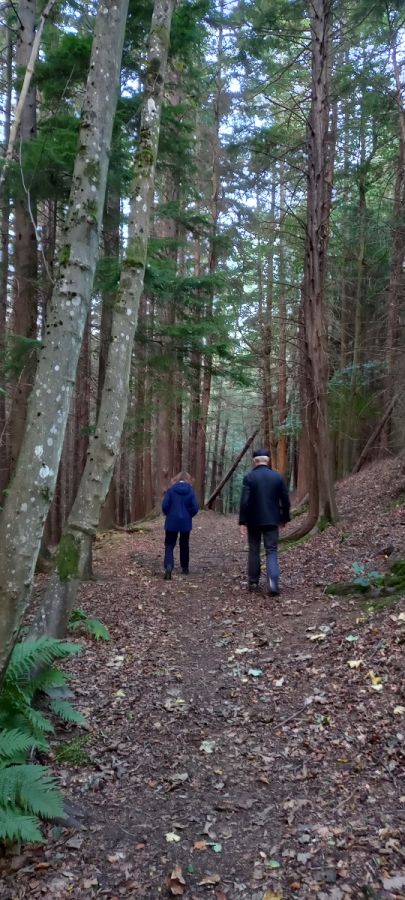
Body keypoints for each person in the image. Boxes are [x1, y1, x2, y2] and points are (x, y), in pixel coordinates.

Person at [239, 448, 290, 595]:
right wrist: (284, 518)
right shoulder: (278, 477)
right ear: (267, 461)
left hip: (253, 520)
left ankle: (253, 582)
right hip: (272, 519)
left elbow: (244, 502)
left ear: (254, 461)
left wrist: (243, 521)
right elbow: (285, 500)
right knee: (271, 551)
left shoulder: (249, 477)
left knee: (254, 550)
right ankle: (273, 583)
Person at [162, 472, 199, 580]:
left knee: (169, 544)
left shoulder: (171, 490)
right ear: (188, 479)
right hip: (185, 523)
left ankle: (168, 566)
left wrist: (169, 513)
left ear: (177, 479)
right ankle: (185, 568)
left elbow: (165, 506)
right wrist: (188, 515)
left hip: (171, 521)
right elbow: (195, 508)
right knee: (184, 544)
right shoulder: (191, 491)